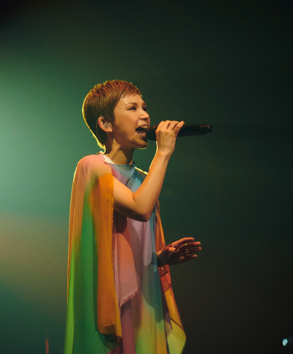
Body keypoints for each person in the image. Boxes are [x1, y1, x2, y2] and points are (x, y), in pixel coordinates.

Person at [65, 80, 201, 354]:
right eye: (133, 108)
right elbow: (140, 208)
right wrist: (163, 152)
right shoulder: (92, 166)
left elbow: (133, 241)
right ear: (106, 124)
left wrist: (160, 258)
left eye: (145, 108)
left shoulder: (144, 179)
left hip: (145, 297)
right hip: (113, 300)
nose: (145, 116)